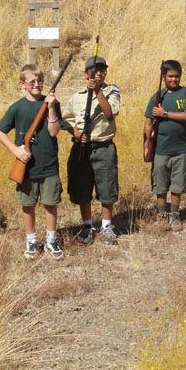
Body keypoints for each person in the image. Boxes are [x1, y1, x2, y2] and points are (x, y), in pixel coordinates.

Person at [0, 64, 64, 259]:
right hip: (27, 167)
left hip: (49, 164)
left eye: (40, 81)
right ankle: (31, 241)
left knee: (50, 203)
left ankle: (51, 241)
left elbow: (53, 132)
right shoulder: (17, 107)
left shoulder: (53, 104)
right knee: (28, 204)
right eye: (32, 81)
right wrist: (15, 150)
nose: (37, 84)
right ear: (22, 84)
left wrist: (51, 108)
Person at [62, 55, 120, 244]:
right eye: (95, 70)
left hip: (104, 147)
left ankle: (106, 226)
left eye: (103, 70)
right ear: (86, 73)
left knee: (107, 187)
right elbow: (65, 120)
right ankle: (87, 225)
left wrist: (97, 92)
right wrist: (76, 133)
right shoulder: (77, 97)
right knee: (82, 188)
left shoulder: (111, 91)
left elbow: (109, 114)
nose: (99, 73)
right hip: (82, 148)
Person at [143, 60, 186, 232]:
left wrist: (164, 113)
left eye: (177, 76)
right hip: (160, 149)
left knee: (177, 184)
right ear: (163, 77)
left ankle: (174, 214)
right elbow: (148, 122)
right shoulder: (157, 97)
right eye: (170, 76)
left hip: (181, 148)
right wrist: (147, 143)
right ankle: (162, 215)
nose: (174, 79)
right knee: (160, 184)